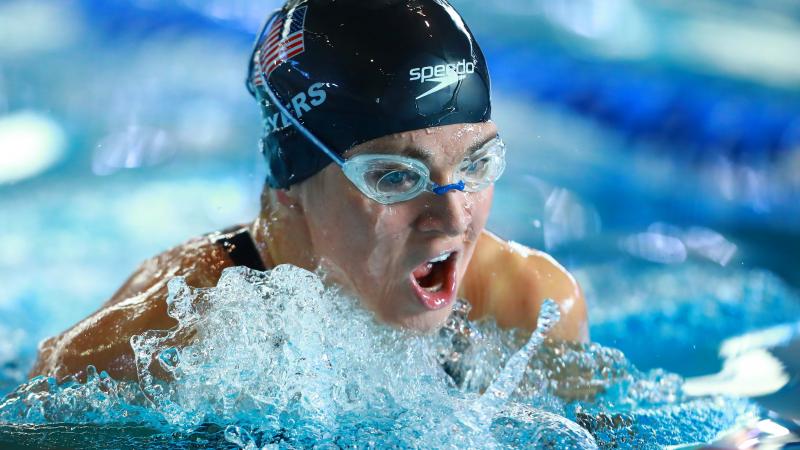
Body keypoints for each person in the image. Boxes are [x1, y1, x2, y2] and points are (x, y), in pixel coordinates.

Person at [29, 0, 588, 383]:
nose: (453, 217)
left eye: (477, 162)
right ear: (293, 181)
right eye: (394, 177)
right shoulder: (157, 342)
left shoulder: (525, 311)